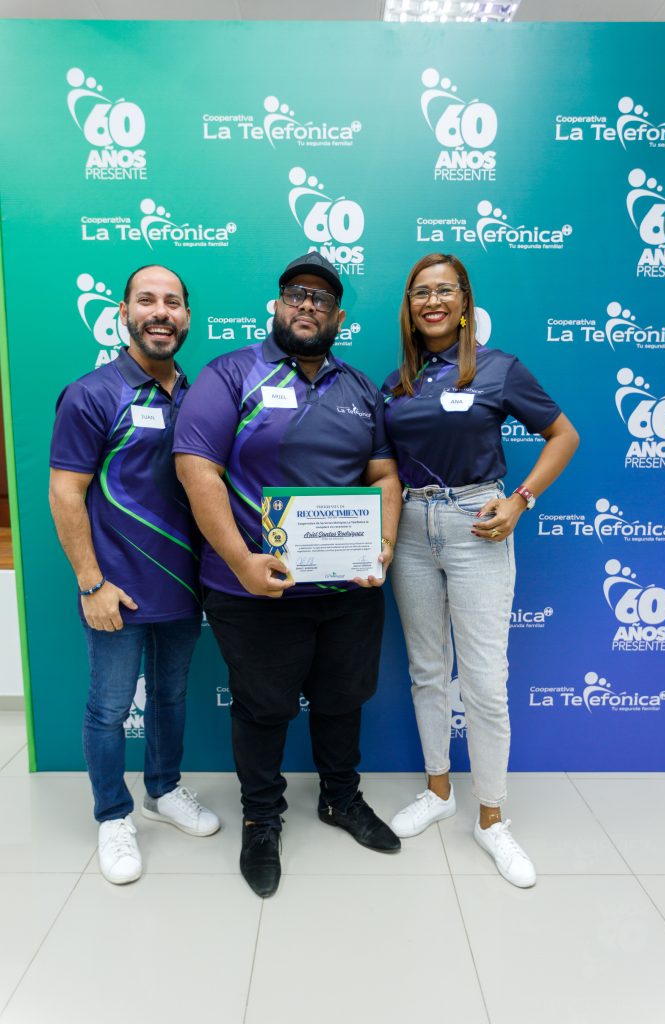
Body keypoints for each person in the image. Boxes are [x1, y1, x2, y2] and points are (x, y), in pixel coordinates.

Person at [174, 252, 402, 898]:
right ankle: (261, 819)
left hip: (347, 587)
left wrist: (382, 546)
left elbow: (384, 476)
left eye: (321, 298)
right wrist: (241, 562)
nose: (307, 305)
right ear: (277, 304)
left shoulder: (359, 387)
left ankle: (340, 798)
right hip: (253, 587)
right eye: (296, 293)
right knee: (263, 707)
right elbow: (196, 468)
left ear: (338, 317)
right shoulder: (229, 374)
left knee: (342, 699)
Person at [382, 253, 579, 887]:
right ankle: (439, 791)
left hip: (478, 523)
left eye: (445, 291)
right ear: (409, 308)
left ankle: (491, 818)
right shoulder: (396, 384)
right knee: (427, 669)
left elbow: (564, 436)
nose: (433, 301)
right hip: (412, 528)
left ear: (465, 303)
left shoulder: (499, 368)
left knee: (485, 681)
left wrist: (520, 500)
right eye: (421, 293)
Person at [49, 265, 219, 886]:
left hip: (184, 587)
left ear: (187, 316)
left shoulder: (200, 396)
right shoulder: (92, 393)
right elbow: (65, 493)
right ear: (124, 313)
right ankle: (112, 815)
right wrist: (91, 583)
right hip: (115, 589)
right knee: (111, 707)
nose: (160, 312)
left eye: (173, 302)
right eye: (147, 300)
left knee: (171, 696)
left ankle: (163, 790)